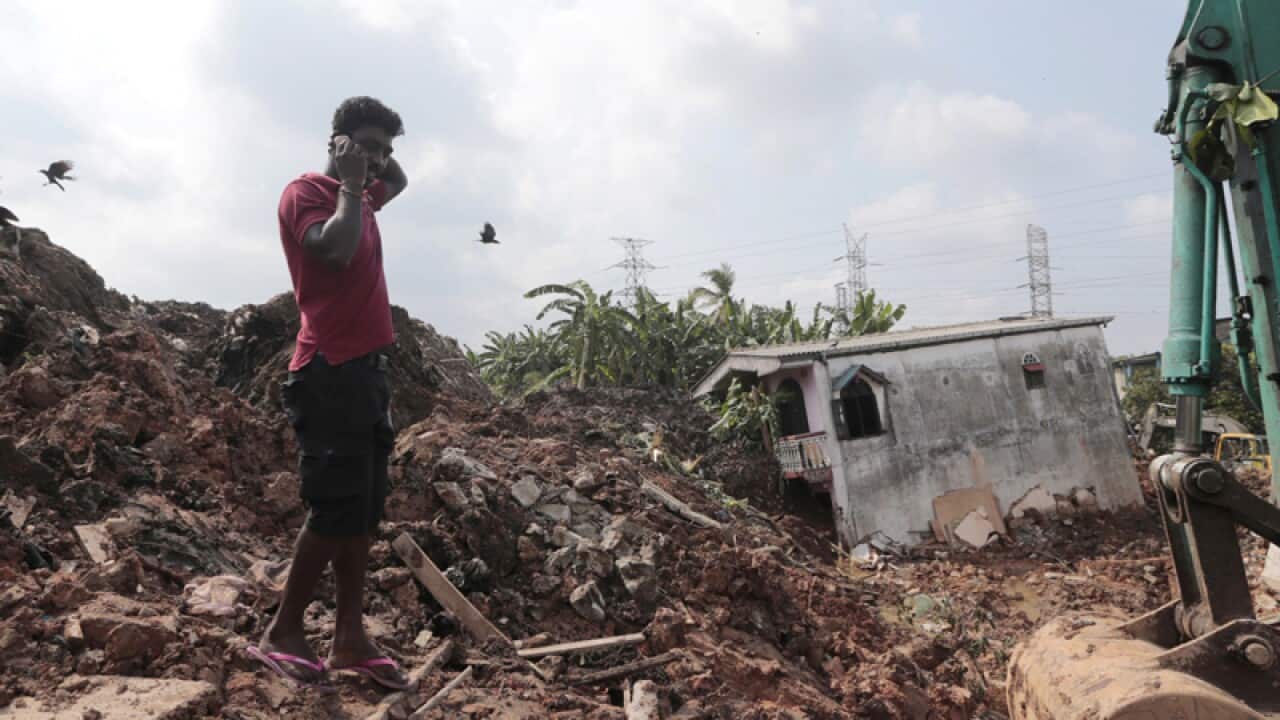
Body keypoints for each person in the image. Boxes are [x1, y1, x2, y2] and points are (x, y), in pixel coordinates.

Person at [248, 96, 410, 690]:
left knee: (364, 512)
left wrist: (368, 166)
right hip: (327, 372)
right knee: (334, 509)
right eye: (367, 145)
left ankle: (350, 637)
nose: (380, 160)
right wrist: (348, 178)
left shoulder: (363, 192)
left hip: (367, 373)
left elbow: (401, 177)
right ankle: (284, 630)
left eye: (385, 148)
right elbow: (335, 251)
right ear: (337, 142)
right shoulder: (309, 194)